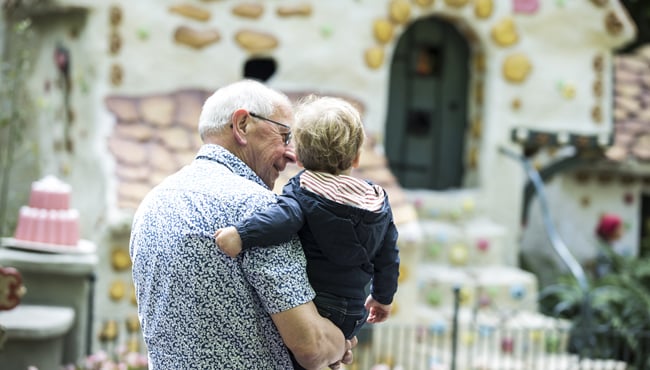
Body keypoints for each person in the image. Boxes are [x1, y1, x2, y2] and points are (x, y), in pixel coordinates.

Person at [129, 80, 355, 370]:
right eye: (284, 136)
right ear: (242, 124)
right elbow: (311, 346)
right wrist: (340, 342)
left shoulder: (152, 203)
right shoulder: (260, 210)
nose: (292, 154)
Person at [214, 95, 400, 348]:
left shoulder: (303, 190)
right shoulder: (376, 201)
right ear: (356, 158)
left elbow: (281, 219)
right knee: (328, 355)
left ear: (298, 157)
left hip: (314, 306)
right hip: (354, 314)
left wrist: (241, 235)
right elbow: (388, 256)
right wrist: (383, 298)